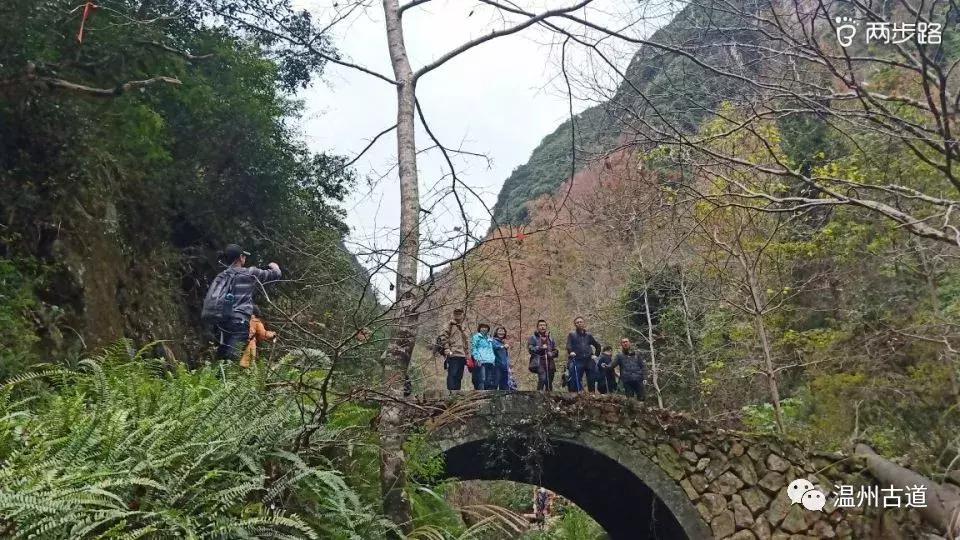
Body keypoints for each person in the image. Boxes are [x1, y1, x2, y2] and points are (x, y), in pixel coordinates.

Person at [203, 244, 281, 361]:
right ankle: (229, 375)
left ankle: (221, 375)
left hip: (221, 323)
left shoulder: (221, 276)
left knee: (222, 358)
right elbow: (275, 275)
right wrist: (274, 266)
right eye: (244, 256)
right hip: (239, 322)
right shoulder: (249, 273)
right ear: (240, 257)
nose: (245, 258)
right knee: (232, 358)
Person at [565, 316, 602, 393]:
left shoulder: (588, 335)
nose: (579, 323)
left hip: (589, 359)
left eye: (580, 322)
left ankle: (592, 395)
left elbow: (597, 345)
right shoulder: (572, 334)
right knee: (576, 378)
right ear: (575, 325)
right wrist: (571, 351)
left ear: (584, 323)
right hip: (578, 359)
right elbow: (568, 345)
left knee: (591, 379)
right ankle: (579, 394)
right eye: (577, 322)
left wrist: (596, 355)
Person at [442, 308, 469, 392]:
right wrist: (447, 348)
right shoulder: (449, 325)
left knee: (459, 376)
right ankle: (451, 392)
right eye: (456, 313)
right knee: (452, 374)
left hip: (462, 355)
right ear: (453, 314)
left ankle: (457, 393)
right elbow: (443, 337)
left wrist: (467, 354)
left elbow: (467, 340)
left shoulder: (464, 326)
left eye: (460, 313)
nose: (458, 315)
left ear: (462, 315)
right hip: (453, 354)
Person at [528, 320, 559, 391]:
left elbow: (556, 350)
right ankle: (539, 396)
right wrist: (540, 348)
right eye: (540, 325)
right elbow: (530, 349)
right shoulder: (533, 338)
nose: (542, 327)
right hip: (539, 362)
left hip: (550, 362)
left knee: (549, 382)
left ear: (546, 327)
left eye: (544, 325)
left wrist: (552, 353)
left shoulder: (550, 338)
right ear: (537, 327)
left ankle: (549, 399)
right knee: (542, 378)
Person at [471, 323, 496, 390]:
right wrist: (477, 359)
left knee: (489, 380)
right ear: (479, 329)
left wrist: (493, 359)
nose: (484, 329)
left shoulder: (489, 338)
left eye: (486, 327)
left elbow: (491, 349)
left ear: (488, 329)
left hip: (490, 361)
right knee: (482, 379)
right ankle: (480, 394)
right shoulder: (476, 337)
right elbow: (474, 348)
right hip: (481, 361)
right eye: (482, 327)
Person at [492, 326, 512, 390]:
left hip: (505, 366)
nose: (501, 333)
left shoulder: (503, 342)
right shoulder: (493, 340)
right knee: (495, 384)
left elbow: (506, 356)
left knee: (505, 386)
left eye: (503, 331)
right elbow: (494, 347)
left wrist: (509, 366)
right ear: (496, 332)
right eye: (500, 331)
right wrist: (503, 346)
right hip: (497, 366)